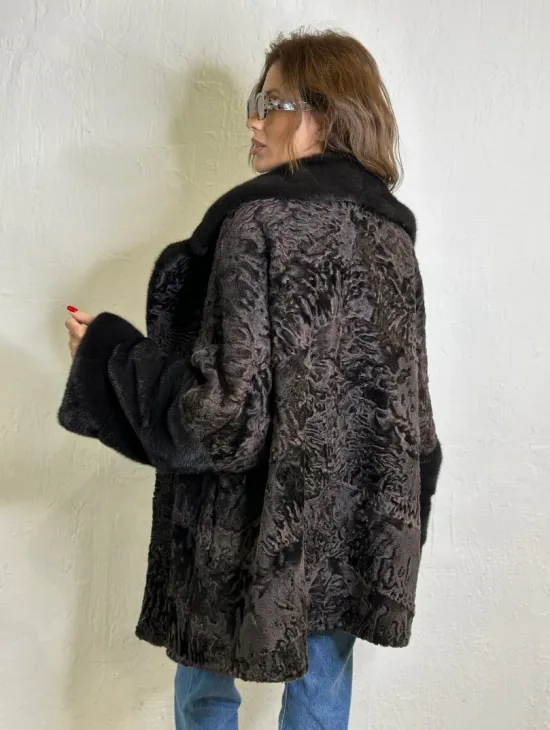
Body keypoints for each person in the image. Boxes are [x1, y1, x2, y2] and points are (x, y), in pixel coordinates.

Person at [59, 29, 442, 730]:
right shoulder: (393, 243)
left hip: (238, 525)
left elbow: (224, 414)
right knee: (322, 697)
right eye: (254, 103)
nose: (253, 121)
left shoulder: (256, 224)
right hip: (352, 525)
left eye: (272, 103)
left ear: (325, 113)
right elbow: (411, 416)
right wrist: (397, 519)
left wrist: (111, 355)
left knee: (206, 694)